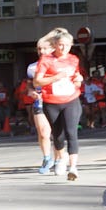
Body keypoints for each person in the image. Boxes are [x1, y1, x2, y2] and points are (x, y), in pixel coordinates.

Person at [33, 27, 84, 181]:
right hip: (52, 101)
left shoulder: (73, 59)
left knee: (71, 132)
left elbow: (76, 76)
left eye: (67, 45)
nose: (63, 48)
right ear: (55, 44)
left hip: (71, 99)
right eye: (60, 44)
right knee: (58, 135)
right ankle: (61, 158)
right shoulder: (46, 60)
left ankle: (73, 167)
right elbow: (37, 81)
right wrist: (56, 77)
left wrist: (78, 79)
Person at [24, 38, 56, 172]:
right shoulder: (32, 67)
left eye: (45, 48)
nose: (41, 51)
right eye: (39, 49)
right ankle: (47, 158)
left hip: (57, 101)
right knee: (43, 133)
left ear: (53, 49)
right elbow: (29, 85)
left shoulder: (59, 64)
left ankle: (59, 158)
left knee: (57, 133)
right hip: (40, 102)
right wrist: (31, 92)